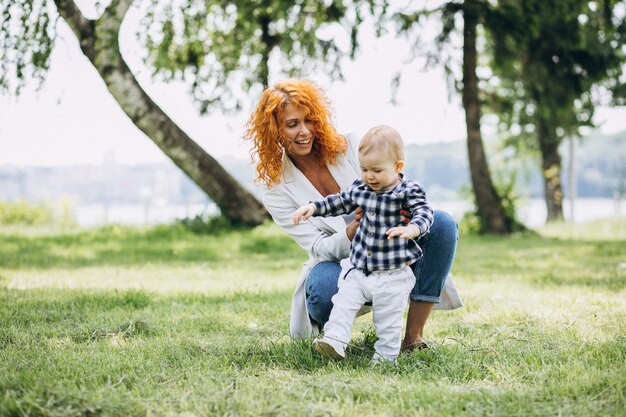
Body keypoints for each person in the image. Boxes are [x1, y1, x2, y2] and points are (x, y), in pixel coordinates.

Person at [243, 79, 462, 354]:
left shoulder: (348, 146)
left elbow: (395, 182)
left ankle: (412, 337)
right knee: (322, 291)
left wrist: (404, 216)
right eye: (292, 124)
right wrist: (352, 231)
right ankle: (335, 337)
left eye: (309, 120)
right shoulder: (275, 189)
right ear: (274, 130)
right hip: (340, 261)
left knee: (441, 223)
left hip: (389, 246)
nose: (304, 131)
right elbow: (317, 248)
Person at [292, 125, 433, 362]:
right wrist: (313, 208)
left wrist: (412, 229)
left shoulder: (408, 190)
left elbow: (424, 212)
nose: (369, 176)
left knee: (388, 319)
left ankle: (386, 357)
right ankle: (334, 342)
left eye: (377, 170)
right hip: (358, 269)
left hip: (393, 273)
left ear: (398, 167)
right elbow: (339, 201)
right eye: (364, 169)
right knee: (343, 304)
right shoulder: (362, 188)